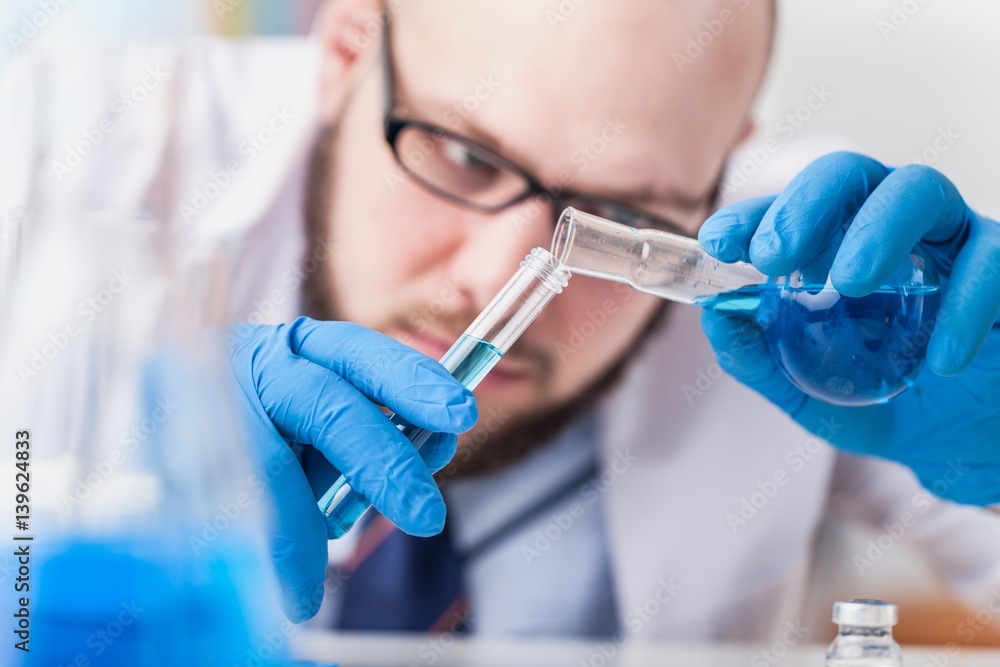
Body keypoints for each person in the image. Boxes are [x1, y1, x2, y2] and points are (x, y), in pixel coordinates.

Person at [2, 0, 999, 642]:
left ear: (723, 157)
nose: (496, 282)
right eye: (463, 156)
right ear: (347, 49)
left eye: (627, 216)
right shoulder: (61, 153)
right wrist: (60, 490)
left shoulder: (823, 288)